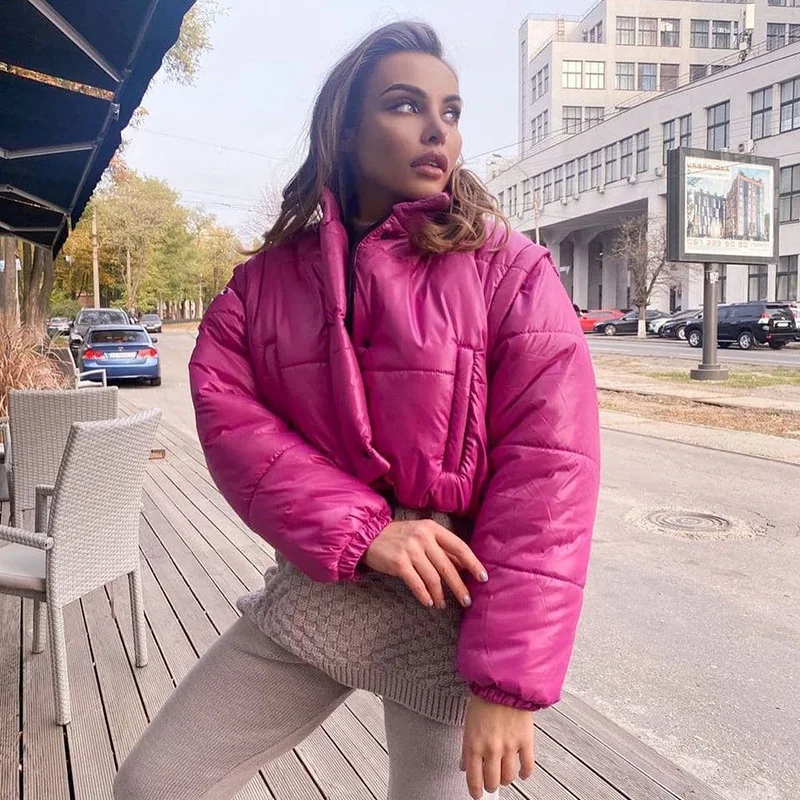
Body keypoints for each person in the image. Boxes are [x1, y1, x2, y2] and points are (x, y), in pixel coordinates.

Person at [114, 21, 600, 800]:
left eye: (451, 111)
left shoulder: (510, 271)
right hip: (322, 587)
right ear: (344, 126)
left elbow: (549, 477)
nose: (437, 129)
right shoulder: (265, 285)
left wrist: (507, 684)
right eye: (405, 104)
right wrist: (363, 530)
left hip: (453, 606)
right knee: (154, 783)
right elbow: (230, 417)